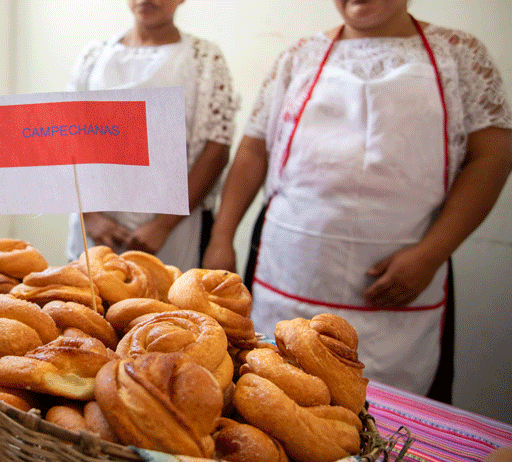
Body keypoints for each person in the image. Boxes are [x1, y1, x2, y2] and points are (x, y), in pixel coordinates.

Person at [202, 0, 512, 401]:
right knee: (275, 397)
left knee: (384, 419)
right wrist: (222, 237)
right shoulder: (300, 56)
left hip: (401, 283)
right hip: (290, 271)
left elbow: (493, 157)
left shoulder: (459, 54)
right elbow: (253, 152)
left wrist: (431, 254)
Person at [65, 0, 237, 273]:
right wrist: (90, 216)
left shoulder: (203, 60)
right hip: (96, 232)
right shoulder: (94, 57)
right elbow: (68, 137)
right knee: (89, 294)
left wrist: (163, 225)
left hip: (170, 234)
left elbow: (216, 149)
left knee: (165, 295)